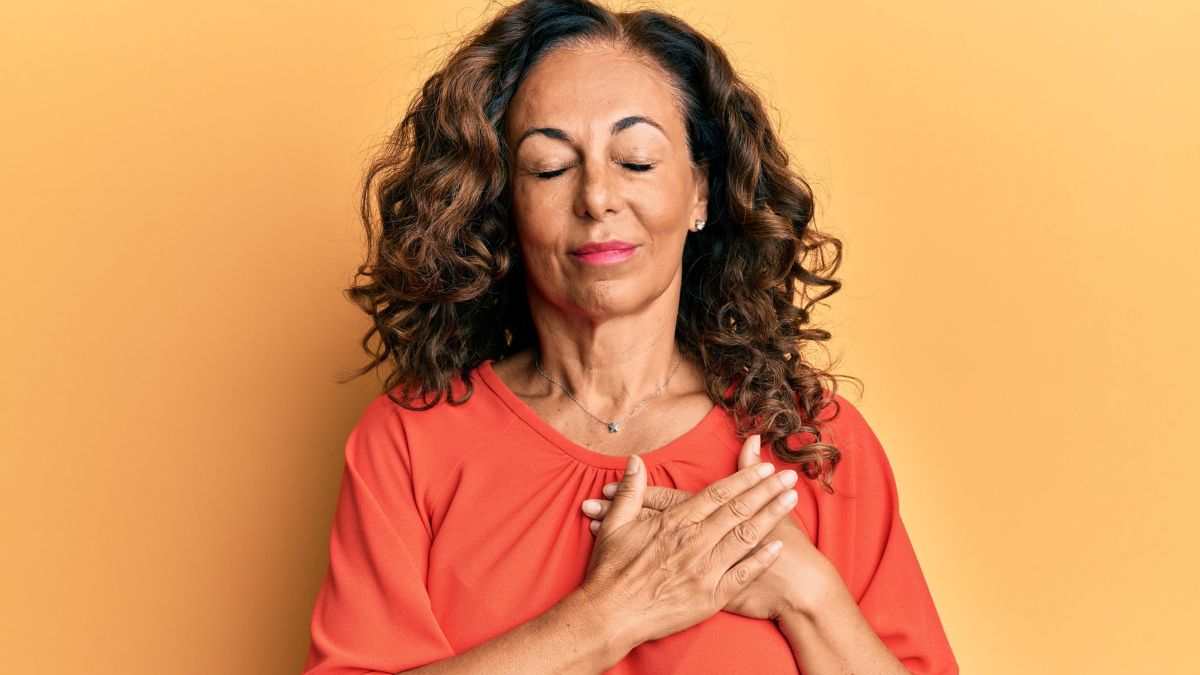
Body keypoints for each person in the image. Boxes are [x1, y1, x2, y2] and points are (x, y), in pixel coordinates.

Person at [302, 0, 958, 673]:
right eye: (550, 168)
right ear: (502, 203)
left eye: (636, 160)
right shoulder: (411, 443)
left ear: (701, 192)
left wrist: (808, 592)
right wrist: (609, 615)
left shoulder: (813, 441)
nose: (597, 198)